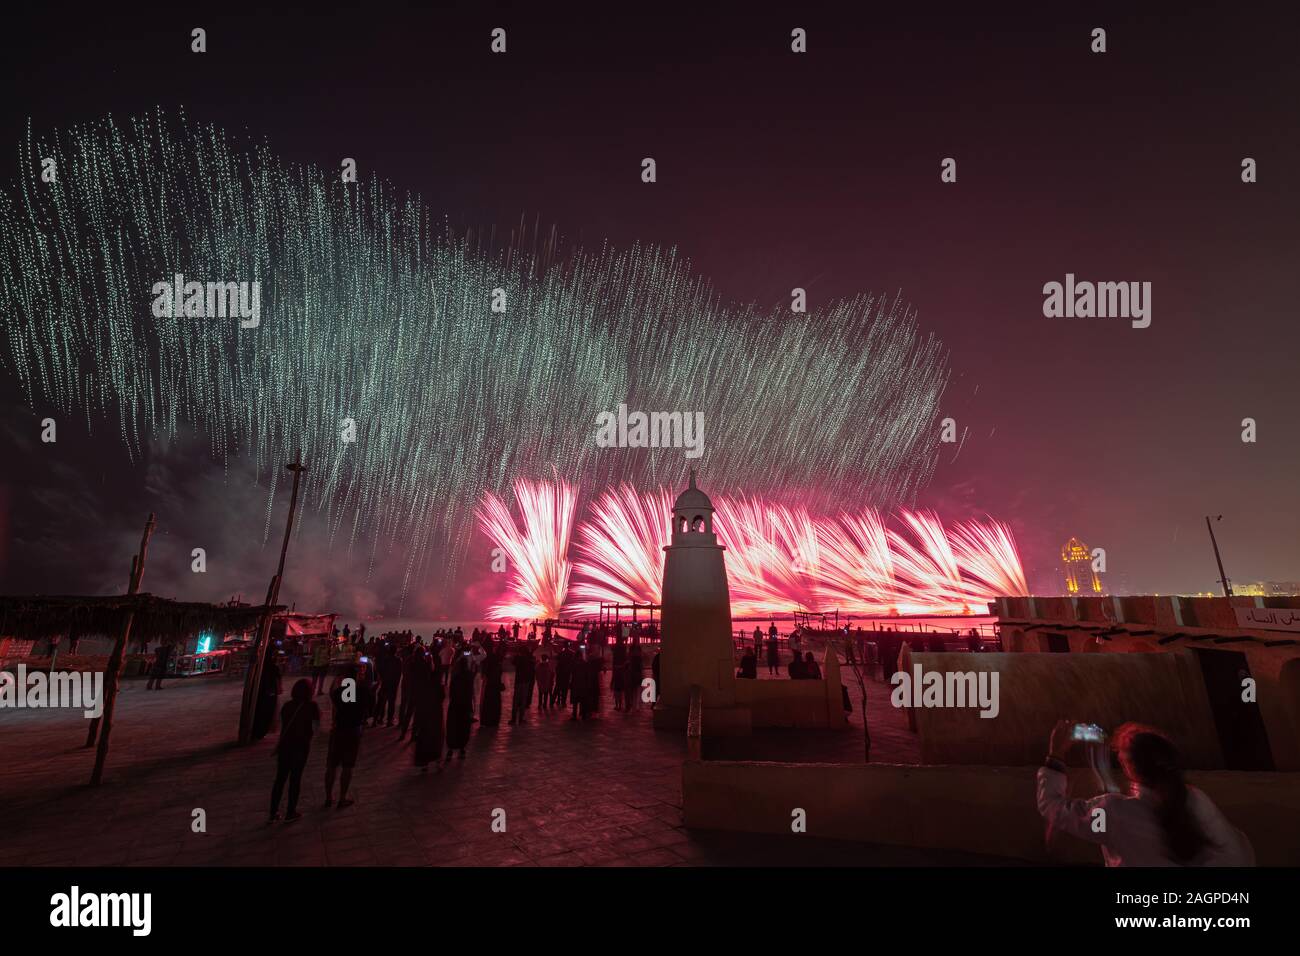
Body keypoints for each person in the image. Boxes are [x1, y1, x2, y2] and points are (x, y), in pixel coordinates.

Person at [1037, 720, 1255, 866]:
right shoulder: (1197, 800)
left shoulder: (1114, 813)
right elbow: (1242, 852)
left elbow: (1053, 807)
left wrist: (1056, 753)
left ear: (1127, 766)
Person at [270, 679, 321, 822]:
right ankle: (290, 811)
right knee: (295, 779)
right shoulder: (312, 707)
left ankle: (273, 813)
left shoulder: (287, 706)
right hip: (301, 747)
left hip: (285, 746)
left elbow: (284, 724)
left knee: (280, 779)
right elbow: (316, 730)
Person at [325, 664, 374, 809]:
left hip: (338, 729)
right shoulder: (362, 691)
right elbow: (369, 706)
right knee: (347, 765)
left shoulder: (340, 691)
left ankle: (328, 797)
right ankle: (342, 797)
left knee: (332, 765)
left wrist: (338, 681)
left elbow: (332, 694)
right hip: (353, 730)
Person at [410, 652, 444, 772]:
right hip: (435, 714)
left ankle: (424, 761)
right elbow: (442, 696)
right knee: (435, 738)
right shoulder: (437, 683)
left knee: (424, 737)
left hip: (425, 713)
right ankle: (436, 760)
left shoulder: (423, 681)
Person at [445, 653, 474, 760]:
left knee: (453, 727)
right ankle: (462, 749)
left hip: (455, 705)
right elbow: (470, 692)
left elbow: (451, 692)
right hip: (465, 705)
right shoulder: (469, 676)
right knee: (464, 728)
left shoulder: (455, 677)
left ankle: (450, 749)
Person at [251, 648, 282, 740]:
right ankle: (262, 731)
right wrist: (279, 688)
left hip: (261, 691)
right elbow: (277, 679)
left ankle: (259, 730)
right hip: (270, 691)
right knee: (268, 711)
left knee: (261, 710)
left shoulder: (259, 666)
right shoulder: (273, 667)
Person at [376, 643, 402, 727]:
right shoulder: (398, 660)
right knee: (391, 702)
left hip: (385, 682)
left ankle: (379, 719)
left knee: (382, 701)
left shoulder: (385, 660)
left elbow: (380, 670)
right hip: (393, 684)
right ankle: (389, 721)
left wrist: (382, 678)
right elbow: (398, 673)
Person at [480, 646, 504, 727]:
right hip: (494, 687)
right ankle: (493, 721)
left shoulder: (492, 661)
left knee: (488, 704)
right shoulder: (497, 665)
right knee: (494, 704)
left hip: (490, 686)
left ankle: (487, 721)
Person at [510, 648, 535, 724]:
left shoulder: (518, 659)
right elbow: (532, 670)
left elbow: (513, 662)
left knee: (516, 699)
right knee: (523, 700)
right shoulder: (529, 660)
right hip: (526, 681)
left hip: (518, 681)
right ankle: (521, 719)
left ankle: (513, 719)